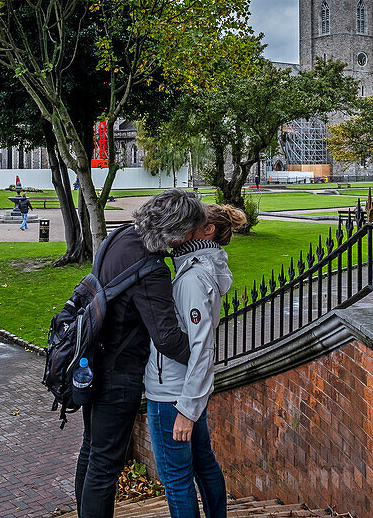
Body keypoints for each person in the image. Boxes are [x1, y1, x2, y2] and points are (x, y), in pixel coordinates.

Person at [75, 189, 204, 518]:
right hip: (118, 374)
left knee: (92, 452)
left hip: (95, 359)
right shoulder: (153, 268)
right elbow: (167, 339)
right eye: (188, 233)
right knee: (105, 466)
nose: (188, 240)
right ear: (175, 231)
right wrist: (203, 359)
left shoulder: (121, 236)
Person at [144, 204, 244, 518]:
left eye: (189, 223)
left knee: (176, 478)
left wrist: (187, 410)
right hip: (184, 390)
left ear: (207, 230)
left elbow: (202, 347)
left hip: (172, 395)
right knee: (204, 463)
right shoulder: (198, 268)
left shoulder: (192, 279)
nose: (180, 229)